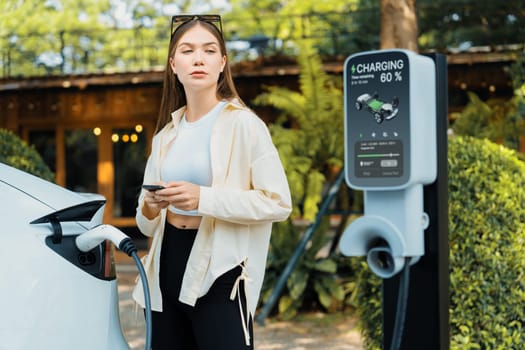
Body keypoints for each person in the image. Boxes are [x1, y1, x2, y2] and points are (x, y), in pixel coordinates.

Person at [132, 14, 292, 350]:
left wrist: (202, 198)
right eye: (188, 51)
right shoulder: (165, 136)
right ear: (173, 64)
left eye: (209, 50)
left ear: (222, 63)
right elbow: (145, 227)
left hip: (222, 269)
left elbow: (277, 203)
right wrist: (149, 206)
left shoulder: (245, 125)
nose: (198, 59)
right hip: (164, 267)